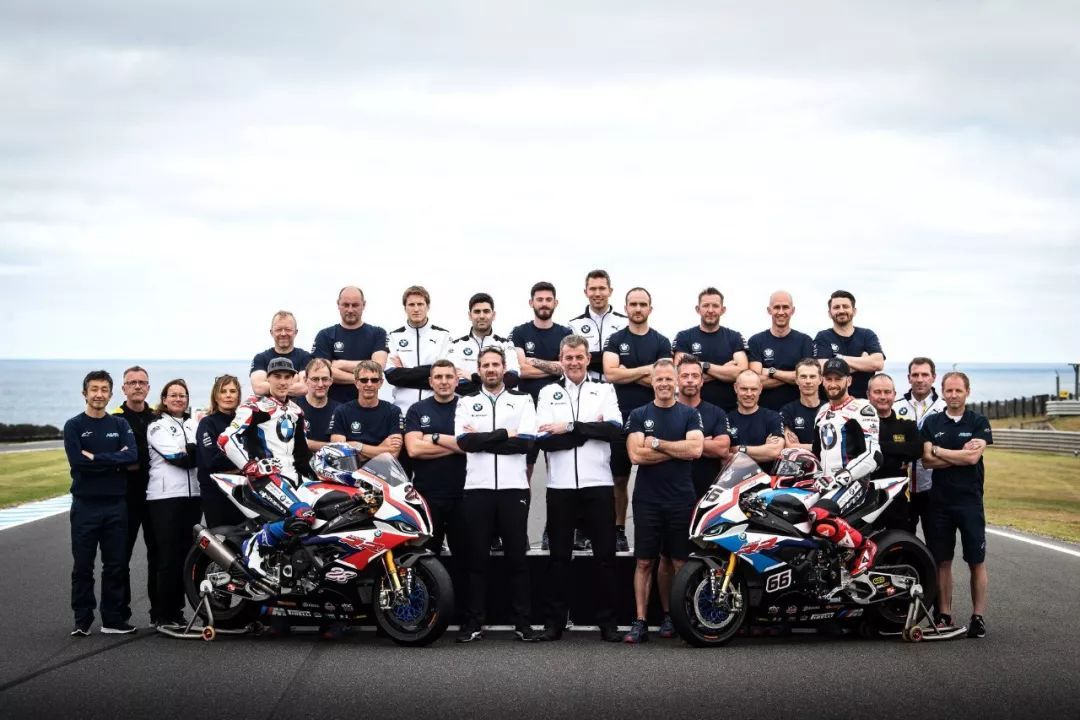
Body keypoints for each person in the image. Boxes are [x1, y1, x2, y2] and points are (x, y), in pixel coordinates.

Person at [218, 357, 322, 636]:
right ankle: (253, 545)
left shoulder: (297, 411)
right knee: (303, 516)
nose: (282, 381)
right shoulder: (255, 406)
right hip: (265, 479)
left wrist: (321, 478)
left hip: (295, 480)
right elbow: (226, 439)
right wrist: (249, 465)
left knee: (325, 517)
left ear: (293, 379)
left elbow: (302, 454)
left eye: (287, 376)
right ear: (269, 379)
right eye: (277, 376)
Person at [533, 335, 624, 642]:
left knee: (605, 557)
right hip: (560, 487)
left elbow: (614, 429)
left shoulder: (604, 389)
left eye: (579, 357)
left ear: (587, 359)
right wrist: (589, 429)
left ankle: (608, 623)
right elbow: (544, 440)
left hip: (598, 485)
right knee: (559, 557)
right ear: (561, 360)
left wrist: (570, 427)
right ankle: (554, 623)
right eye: (568, 357)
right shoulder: (548, 392)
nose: (573, 362)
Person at [453, 347, 540, 643]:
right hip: (477, 490)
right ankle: (473, 623)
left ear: (504, 368)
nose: (491, 369)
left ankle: (523, 624)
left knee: (517, 559)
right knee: (476, 560)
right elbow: (465, 443)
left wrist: (483, 439)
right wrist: (505, 433)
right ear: (478, 370)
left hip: (514, 489)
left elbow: (526, 443)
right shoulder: (466, 401)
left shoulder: (523, 399)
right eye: (485, 365)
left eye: (495, 364)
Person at [623, 359, 704, 644]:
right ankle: (641, 621)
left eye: (669, 379)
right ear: (652, 382)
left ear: (677, 382)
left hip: (681, 499)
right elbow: (636, 455)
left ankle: (676, 618)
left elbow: (695, 450)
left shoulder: (690, 414)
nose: (665, 384)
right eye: (660, 379)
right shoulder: (638, 414)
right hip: (647, 500)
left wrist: (657, 443)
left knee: (679, 561)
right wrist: (676, 450)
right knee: (645, 561)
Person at [64, 370, 138, 636]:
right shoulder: (73, 426)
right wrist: (114, 460)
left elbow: (132, 456)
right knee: (83, 566)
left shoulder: (119, 424)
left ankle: (112, 619)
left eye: (104, 389)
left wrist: (96, 458)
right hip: (85, 506)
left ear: (111, 394)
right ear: (85, 393)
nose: (99, 394)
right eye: (94, 389)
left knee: (116, 565)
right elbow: (78, 462)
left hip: (116, 505)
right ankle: (82, 620)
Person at [920, 371, 992, 638]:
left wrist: (940, 450)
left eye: (958, 391)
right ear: (942, 392)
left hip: (970, 502)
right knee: (942, 561)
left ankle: (978, 617)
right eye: (949, 391)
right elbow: (927, 461)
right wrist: (959, 454)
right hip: (939, 503)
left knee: (976, 561)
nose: (953, 395)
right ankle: (944, 615)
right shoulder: (932, 422)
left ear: (967, 392)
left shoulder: (978, 422)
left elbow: (973, 459)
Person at [602, 287, 673, 552]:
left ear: (650, 308)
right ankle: (618, 530)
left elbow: (664, 380)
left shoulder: (661, 341)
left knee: (656, 477)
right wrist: (647, 371)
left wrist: (627, 372)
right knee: (618, 479)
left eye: (643, 304)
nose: (638, 309)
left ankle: (659, 534)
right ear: (626, 308)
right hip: (620, 418)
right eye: (633, 304)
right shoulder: (615, 339)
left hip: (654, 418)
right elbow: (610, 374)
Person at [809, 358, 882, 577]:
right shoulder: (822, 412)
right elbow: (817, 453)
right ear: (822, 381)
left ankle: (864, 548)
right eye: (828, 379)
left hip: (855, 482)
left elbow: (874, 455)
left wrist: (846, 475)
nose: (833, 384)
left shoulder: (862, 409)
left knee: (819, 515)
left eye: (838, 379)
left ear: (848, 380)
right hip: (827, 484)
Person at [145, 379, 201, 628]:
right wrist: (192, 451)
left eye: (183, 395)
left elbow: (200, 454)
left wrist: (191, 450)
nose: (178, 399)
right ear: (164, 399)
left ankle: (177, 612)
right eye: (173, 395)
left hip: (193, 497)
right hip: (164, 498)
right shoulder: (157, 426)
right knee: (167, 557)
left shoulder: (193, 424)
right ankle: (162, 614)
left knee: (186, 557)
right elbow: (179, 458)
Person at [403, 360, 467, 555]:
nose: (444, 381)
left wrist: (435, 438)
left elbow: (474, 445)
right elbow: (414, 449)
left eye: (449, 377)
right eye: (438, 377)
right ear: (431, 382)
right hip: (427, 496)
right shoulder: (417, 410)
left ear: (457, 381)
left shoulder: (468, 407)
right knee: (428, 558)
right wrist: (457, 446)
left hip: (464, 495)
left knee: (466, 559)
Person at [510, 281, 573, 479]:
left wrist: (534, 361)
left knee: (557, 469)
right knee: (524, 471)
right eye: (539, 299)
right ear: (531, 303)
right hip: (528, 409)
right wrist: (555, 368)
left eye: (548, 299)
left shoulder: (565, 333)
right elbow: (521, 370)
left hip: (557, 409)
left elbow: (568, 367)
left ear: (556, 303)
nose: (544, 303)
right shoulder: (520, 332)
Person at [111, 365, 157, 626]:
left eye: (142, 382)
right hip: (125, 498)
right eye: (132, 382)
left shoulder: (157, 417)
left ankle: (159, 614)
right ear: (124, 388)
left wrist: (133, 456)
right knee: (120, 557)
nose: (137, 386)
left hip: (156, 498)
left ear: (148, 387)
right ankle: (120, 615)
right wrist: (132, 458)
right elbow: (119, 459)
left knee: (158, 556)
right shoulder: (114, 419)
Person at [672, 287, 748, 413]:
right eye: (706, 305)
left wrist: (704, 366)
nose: (710, 310)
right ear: (698, 309)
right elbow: (680, 375)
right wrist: (724, 371)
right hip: (690, 412)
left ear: (723, 310)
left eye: (715, 306)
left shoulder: (734, 337)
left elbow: (742, 373)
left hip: (728, 411)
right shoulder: (684, 337)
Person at [894, 357, 947, 536]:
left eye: (925, 374)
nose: (920, 379)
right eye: (915, 375)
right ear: (909, 378)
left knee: (936, 542)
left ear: (933, 377)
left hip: (933, 489)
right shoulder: (895, 407)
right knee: (902, 539)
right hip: (902, 489)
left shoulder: (944, 408)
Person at [312, 286, 389, 405]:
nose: (350, 309)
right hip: (333, 407)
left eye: (355, 305)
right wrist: (362, 379)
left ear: (364, 305)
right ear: (338, 305)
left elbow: (377, 367)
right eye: (346, 305)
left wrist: (341, 364)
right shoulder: (325, 335)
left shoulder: (378, 333)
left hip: (368, 406)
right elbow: (322, 372)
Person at [384, 285, 452, 414]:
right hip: (403, 411)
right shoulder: (393, 337)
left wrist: (405, 373)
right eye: (411, 305)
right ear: (405, 308)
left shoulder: (443, 336)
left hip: (436, 410)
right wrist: (431, 372)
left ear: (428, 306)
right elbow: (392, 376)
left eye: (420, 304)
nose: (416, 309)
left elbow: (445, 374)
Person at [867, 373, 922, 531]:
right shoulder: (859, 425)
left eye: (887, 392)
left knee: (902, 544)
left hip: (898, 502)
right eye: (877, 392)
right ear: (868, 395)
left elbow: (917, 450)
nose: (883, 397)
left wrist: (876, 446)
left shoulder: (907, 426)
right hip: (867, 502)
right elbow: (858, 450)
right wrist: (899, 454)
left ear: (894, 394)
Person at [747, 291, 815, 411]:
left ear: (792, 310)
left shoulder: (805, 341)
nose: (781, 312)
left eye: (785, 307)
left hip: (797, 412)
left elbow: (807, 378)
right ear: (769, 310)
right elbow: (755, 382)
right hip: (765, 412)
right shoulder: (756, 341)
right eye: (777, 307)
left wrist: (771, 371)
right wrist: (794, 376)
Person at [675, 355, 732, 500]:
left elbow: (722, 449)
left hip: (707, 494)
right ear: (677, 379)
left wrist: (675, 442)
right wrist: (704, 443)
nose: (690, 380)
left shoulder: (716, 413)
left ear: (701, 381)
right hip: (672, 492)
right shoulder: (664, 411)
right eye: (685, 376)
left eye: (695, 376)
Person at [445, 292, 521, 396]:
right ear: (470, 315)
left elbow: (512, 379)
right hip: (466, 404)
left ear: (493, 315)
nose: (481, 316)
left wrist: (473, 377)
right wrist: (494, 383)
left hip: (502, 404)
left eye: (486, 311)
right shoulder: (456, 345)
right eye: (477, 312)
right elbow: (457, 385)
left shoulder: (506, 345)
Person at [812, 290, 885, 399]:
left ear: (854, 311)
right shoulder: (823, 336)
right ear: (829, 313)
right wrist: (863, 362)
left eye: (845, 306)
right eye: (836, 307)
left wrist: (838, 359)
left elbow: (878, 363)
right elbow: (822, 369)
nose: (841, 310)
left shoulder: (867, 335)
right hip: (831, 402)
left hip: (864, 402)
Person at [195, 374, 246, 528]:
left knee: (244, 537)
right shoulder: (207, 423)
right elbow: (212, 460)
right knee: (221, 537)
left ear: (238, 396)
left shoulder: (244, 423)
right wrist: (243, 463)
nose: (228, 395)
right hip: (216, 494)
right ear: (216, 396)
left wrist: (240, 464)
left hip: (242, 491)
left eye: (232, 391)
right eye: (223, 391)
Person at [328, 361, 404, 461]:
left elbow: (393, 454)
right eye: (364, 380)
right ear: (356, 383)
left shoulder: (393, 411)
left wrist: (357, 446)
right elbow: (339, 455)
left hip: (383, 469)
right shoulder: (341, 411)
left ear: (380, 383)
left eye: (374, 380)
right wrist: (382, 448)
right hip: (351, 470)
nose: (369, 384)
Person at [567, 269, 628, 382]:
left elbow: (628, 358)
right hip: (586, 387)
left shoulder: (625, 323)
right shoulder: (574, 325)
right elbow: (573, 361)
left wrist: (589, 359)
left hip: (618, 386)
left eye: (602, 288)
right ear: (585, 292)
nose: (597, 294)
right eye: (593, 289)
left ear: (610, 291)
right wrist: (612, 362)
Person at [728, 369, 786, 466]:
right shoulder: (726, 419)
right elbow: (726, 458)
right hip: (735, 475)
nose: (749, 394)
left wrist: (739, 449)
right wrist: (763, 451)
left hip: (766, 475)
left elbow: (774, 451)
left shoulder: (772, 417)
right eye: (744, 389)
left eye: (754, 389)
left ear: (760, 389)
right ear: (735, 388)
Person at [249, 310, 311, 398]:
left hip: (297, 406)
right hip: (268, 407)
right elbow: (259, 388)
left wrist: (272, 384)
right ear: (271, 332)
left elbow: (305, 388)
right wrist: (295, 379)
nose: (283, 333)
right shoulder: (260, 358)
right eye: (278, 330)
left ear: (295, 332)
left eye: (288, 329)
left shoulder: (305, 357)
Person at [294, 358, 340, 452]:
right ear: (305, 380)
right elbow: (290, 442)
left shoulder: (340, 411)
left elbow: (341, 447)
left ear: (331, 381)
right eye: (315, 379)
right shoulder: (293, 408)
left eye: (325, 379)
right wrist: (330, 446)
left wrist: (306, 443)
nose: (320, 384)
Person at [779, 358, 823, 451]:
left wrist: (800, 446)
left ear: (820, 379)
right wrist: (822, 447)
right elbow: (789, 446)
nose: (808, 381)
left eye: (812, 376)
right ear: (796, 380)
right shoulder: (787, 411)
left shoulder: (829, 408)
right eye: (803, 377)